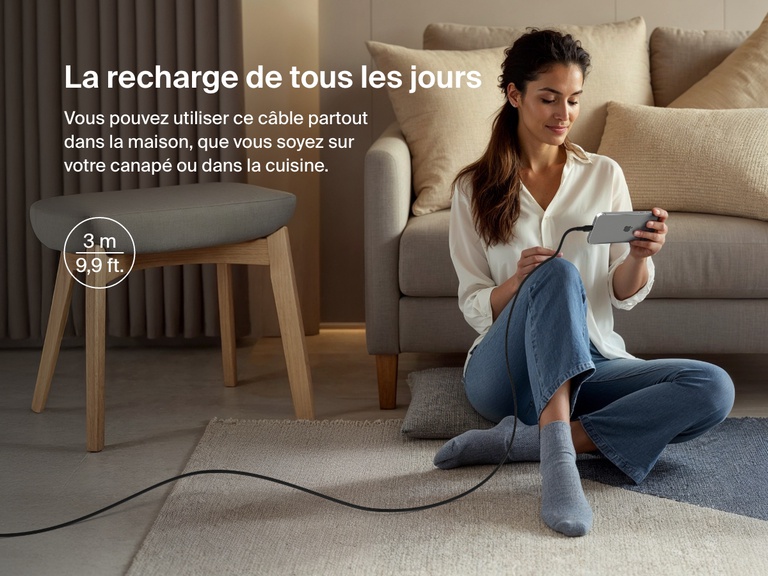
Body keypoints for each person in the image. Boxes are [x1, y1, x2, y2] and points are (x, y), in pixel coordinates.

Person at [434, 29, 735, 537]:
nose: (563, 113)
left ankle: (540, 442)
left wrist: (640, 256)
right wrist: (520, 282)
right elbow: (473, 302)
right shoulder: (473, 187)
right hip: (505, 375)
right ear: (515, 95)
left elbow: (621, 291)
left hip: (591, 364)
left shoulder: (603, 174)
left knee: (712, 387)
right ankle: (559, 470)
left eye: (573, 100)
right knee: (555, 272)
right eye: (548, 99)